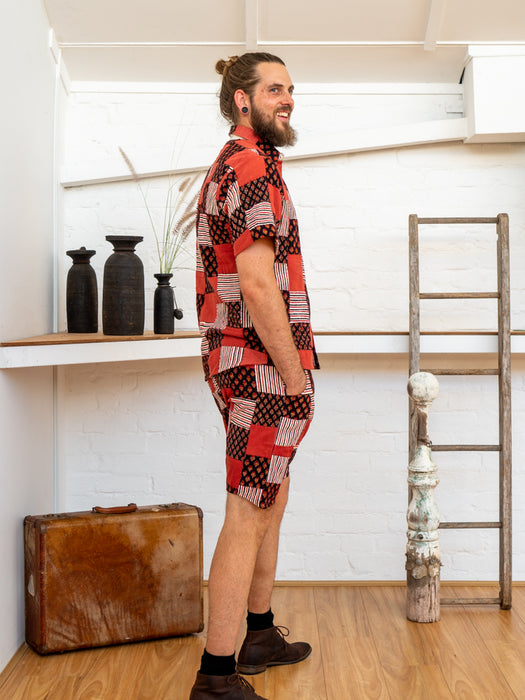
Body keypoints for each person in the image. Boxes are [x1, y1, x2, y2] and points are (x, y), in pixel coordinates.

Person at [191, 52, 319, 700]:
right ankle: (216, 675)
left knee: (271, 493)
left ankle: (259, 634)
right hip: (257, 365)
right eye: (274, 89)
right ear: (242, 99)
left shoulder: (244, 162)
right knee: (247, 509)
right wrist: (293, 376)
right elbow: (257, 283)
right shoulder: (249, 166)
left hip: (244, 358)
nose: (287, 98)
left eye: (290, 88)